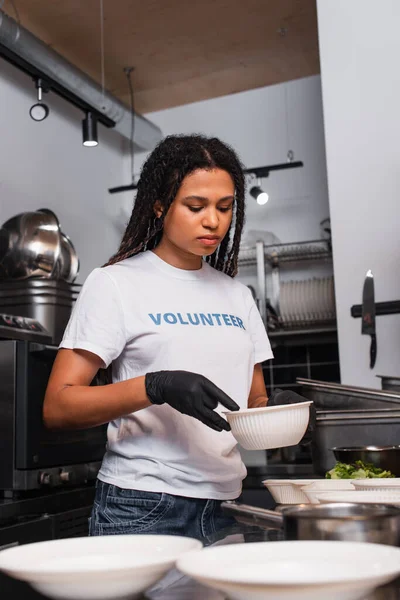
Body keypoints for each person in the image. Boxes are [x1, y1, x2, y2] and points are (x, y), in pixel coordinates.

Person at [43, 134, 303, 542]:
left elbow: (252, 401)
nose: (214, 221)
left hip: (226, 504)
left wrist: (277, 411)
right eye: (195, 206)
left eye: (225, 207)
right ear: (160, 205)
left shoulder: (237, 295)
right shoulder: (115, 284)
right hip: (142, 505)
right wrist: (155, 385)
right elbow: (59, 405)